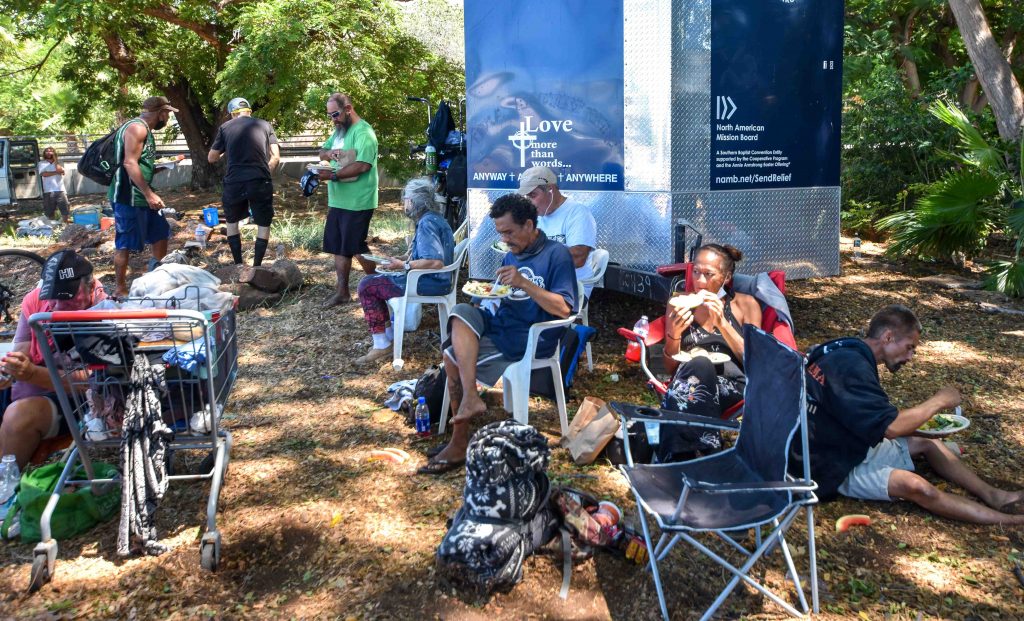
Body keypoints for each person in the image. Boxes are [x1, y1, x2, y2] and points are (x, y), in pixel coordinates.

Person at [791, 304, 1024, 524]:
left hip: (837, 439)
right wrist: (939, 401)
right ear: (888, 337)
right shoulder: (853, 368)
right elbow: (891, 428)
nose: (911, 356)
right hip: (828, 464)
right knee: (917, 487)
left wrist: (921, 428)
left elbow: (863, 416)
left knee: (926, 441)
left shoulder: (845, 348)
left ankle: (995, 496)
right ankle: (1009, 521)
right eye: (909, 347)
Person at [420, 193, 577, 475]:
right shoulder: (509, 254)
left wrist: (524, 283)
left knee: (452, 356)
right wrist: (486, 296)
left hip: (529, 338)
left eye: (509, 232)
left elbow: (565, 309)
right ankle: (471, 397)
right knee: (460, 312)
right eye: (500, 232)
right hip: (500, 325)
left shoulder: (557, 254)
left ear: (529, 225)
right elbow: (500, 295)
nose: (504, 239)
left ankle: (459, 440)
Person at [0, 250, 106, 468]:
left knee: (19, 416)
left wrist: (30, 374)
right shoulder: (35, 301)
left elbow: (93, 381)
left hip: (78, 399)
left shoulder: (104, 312)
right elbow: (22, 349)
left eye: (66, 297)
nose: (56, 305)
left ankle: (6, 485)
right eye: (53, 296)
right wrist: (10, 369)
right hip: (32, 386)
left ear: (91, 285)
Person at [658, 244, 761, 462]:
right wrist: (675, 333)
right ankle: (706, 453)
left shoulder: (745, 304)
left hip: (732, 385)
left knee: (696, 371)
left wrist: (723, 324)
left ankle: (675, 457)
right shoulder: (678, 303)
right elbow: (669, 367)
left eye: (709, 274)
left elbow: (756, 361)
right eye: (696, 271)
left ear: (726, 276)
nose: (700, 281)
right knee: (699, 365)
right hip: (686, 381)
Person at [354, 178, 455, 365]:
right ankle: (388, 336)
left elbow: (435, 262)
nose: (404, 203)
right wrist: (401, 260)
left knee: (366, 285)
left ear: (415, 201)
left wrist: (404, 266)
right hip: (434, 279)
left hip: (429, 282)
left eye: (406, 199)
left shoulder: (427, 224)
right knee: (374, 282)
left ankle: (382, 343)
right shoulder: (433, 218)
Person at [109, 96, 177, 298]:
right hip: (129, 197)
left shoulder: (145, 130)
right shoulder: (136, 128)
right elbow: (129, 163)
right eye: (168, 114)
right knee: (125, 243)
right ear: (161, 113)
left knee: (161, 234)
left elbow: (140, 164)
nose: (168, 119)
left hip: (143, 195)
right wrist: (149, 194)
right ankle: (120, 288)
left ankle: (156, 282)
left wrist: (163, 166)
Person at [317, 93, 379, 307]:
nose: (332, 119)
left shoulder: (364, 132)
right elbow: (321, 151)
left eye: (335, 114)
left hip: (359, 200)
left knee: (356, 246)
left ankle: (381, 286)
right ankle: (342, 292)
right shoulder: (338, 132)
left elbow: (362, 165)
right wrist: (328, 154)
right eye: (329, 115)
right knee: (339, 247)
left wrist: (332, 175)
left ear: (348, 109)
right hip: (338, 200)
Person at [207, 97, 281, 267]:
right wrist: (264, 173)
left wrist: (227, 150)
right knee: (263, 222)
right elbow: (276, 157)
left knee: (232, 221)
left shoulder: (225, 128)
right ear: (249, 111)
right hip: (260, 181)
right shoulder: (265, 125)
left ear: (232, 114)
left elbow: (211, 157)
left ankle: (238, 264)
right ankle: (257, 266)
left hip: (235, 181)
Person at [517, 166, 598, 298]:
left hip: (569, 286)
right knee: (488, 297)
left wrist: (537, 259)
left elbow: (578, 258)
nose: (529, 202)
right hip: (537, 281)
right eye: (527, 196)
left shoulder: (577, 212)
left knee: (511, 305)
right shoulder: (535, 216)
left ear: (551, 189)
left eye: (533, 195)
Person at [37, 147, 70, 223]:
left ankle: (65, 224)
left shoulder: (59, 162)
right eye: (47, 151)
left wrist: (55, 160)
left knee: (65, 208)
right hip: (48, 190)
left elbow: (61, 171)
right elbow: (44, 174)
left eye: (51, 151)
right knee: (50, 211)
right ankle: (52, 224)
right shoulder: (42, 163)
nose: (49, 153)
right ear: (44, 153)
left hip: (60, 189)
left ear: (54, 153)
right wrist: (56, 173)